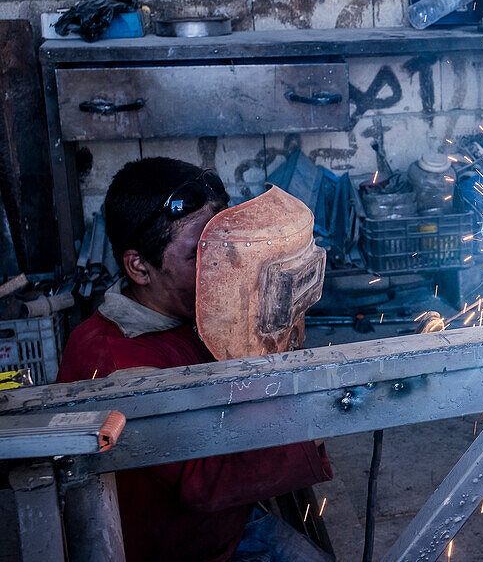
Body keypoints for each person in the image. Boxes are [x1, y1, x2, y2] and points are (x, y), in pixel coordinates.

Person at [57, 157, 334, 562]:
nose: (223, 269)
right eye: (198, 256)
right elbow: (204, 477)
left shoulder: (196, 314)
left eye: (224, 250)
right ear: (139, 267)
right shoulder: (116, 360)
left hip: (228, 525)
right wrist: (312, 427)